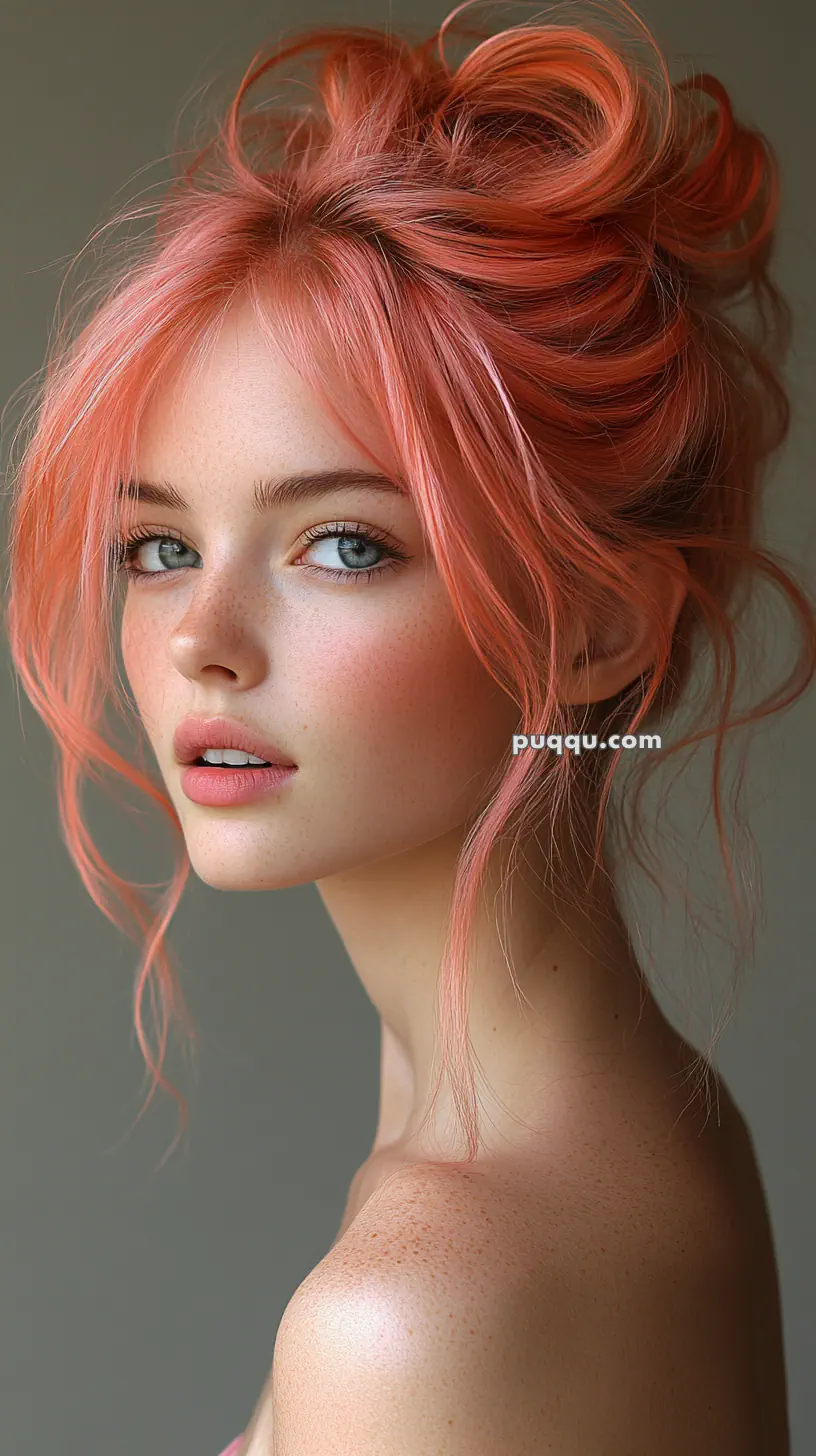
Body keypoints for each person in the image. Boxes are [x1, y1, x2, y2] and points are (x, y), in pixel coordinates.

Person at [4, 1, 811, 1450]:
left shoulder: (424, 1310)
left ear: (602, 624)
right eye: (160, 548)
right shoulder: (648, 1122)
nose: (199, 641)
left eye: (343, 546)